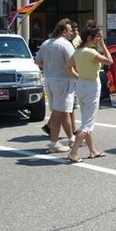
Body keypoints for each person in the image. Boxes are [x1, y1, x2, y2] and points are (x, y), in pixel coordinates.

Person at [66, 26, 113, 162]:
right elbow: (110, 61)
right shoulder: (90, 52)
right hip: (92, 86)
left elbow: (68, 66)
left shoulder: (78, 51)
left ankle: (93, 150)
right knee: (87, 123)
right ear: (89, 38)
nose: (99, 39)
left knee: (86, 119)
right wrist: (104, 46)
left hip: (81, 85)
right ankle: (73, 152)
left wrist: (78, 76)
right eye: (98, 37)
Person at [34, 19, 76, 153]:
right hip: (63, 80)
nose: (72, 33)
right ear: (63, 31)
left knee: (63, 111)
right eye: (70, 31)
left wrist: (49, 67)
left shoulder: (46, 43)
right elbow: (73, 63)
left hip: (49, 79)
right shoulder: (65, 44)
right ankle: (54, 143)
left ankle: (71, 138)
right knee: (60, 111)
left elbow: (38, 61)